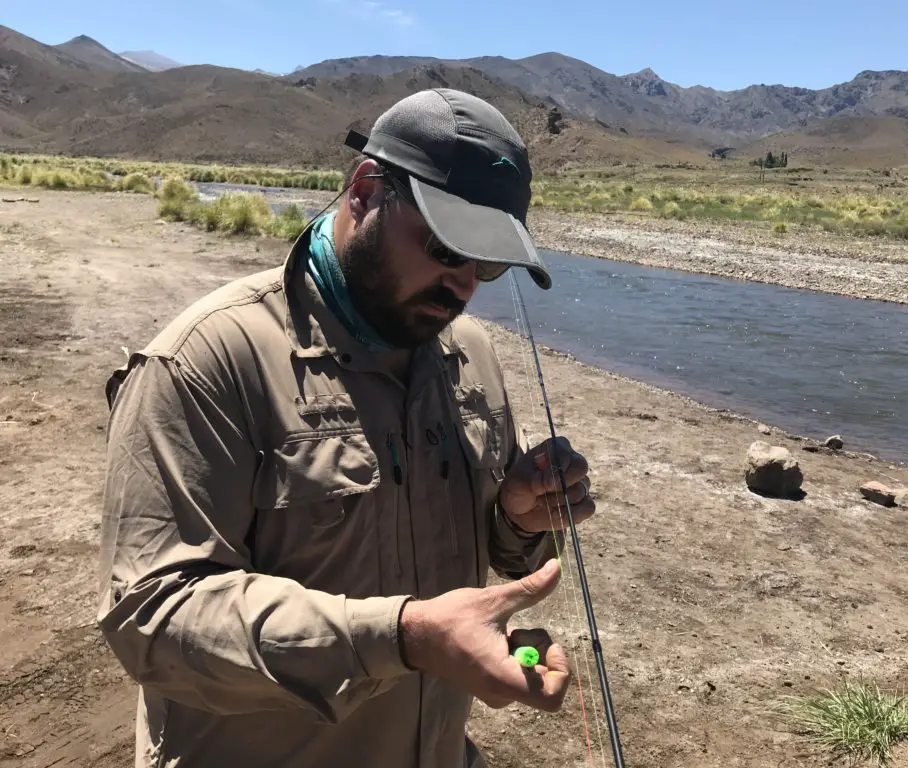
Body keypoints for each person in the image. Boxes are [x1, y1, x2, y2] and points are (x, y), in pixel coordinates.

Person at [96, 88, 598, 767]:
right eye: (448, 246)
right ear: (366, 191)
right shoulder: (206, 361)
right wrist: (405, 636)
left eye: (488, 265)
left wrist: (519, 522)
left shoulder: (472, 352)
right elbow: (153, 619)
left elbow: (497, 561)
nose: (462, 285)